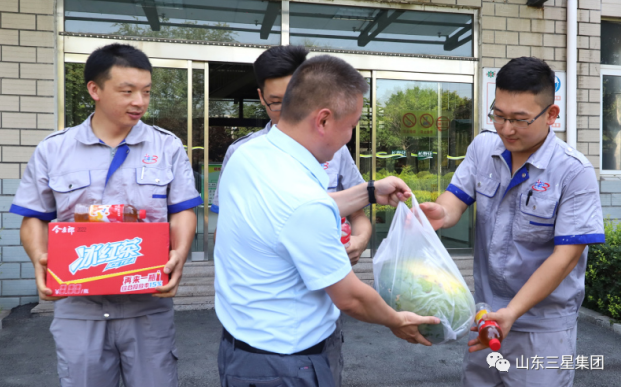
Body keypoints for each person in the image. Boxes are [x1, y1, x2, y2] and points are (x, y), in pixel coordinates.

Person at [215, 55, 440, 387]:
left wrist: (369, 191)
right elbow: (350, 297)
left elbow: (289, 214)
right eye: (351, 125)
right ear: (323, 120)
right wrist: (396, 319)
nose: (350, 136)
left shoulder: (250, 155)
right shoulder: (302, 201)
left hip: (241, 349)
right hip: (285, 367)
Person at [10, 43, 202, 387]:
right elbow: (34, 216)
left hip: (147, 303)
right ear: (94, 90)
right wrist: (40, 258)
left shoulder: (167, 146)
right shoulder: (54, 149)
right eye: (127, 91)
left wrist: (180, 254)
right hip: (79, 306)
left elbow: (182, 210)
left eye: (146, 92)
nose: (139, 101)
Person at [419, 57, 604, 387]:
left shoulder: (574, 172)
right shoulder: (483, 147)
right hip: (487, 317)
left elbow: (565, 258)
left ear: (551, 115)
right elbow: (455, 199)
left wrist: (512, 312)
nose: (506, 129)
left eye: (519, 119)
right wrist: (441, 214)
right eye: (499, 115)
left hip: (543, 330)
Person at [211, 45, 372, 266]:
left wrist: (360, 240)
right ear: (261, 97)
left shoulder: (333, 148)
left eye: (296, 100)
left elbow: (357, 214)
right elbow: (226, 231)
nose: (289, 112)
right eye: (277, 102)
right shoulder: (243, 153)